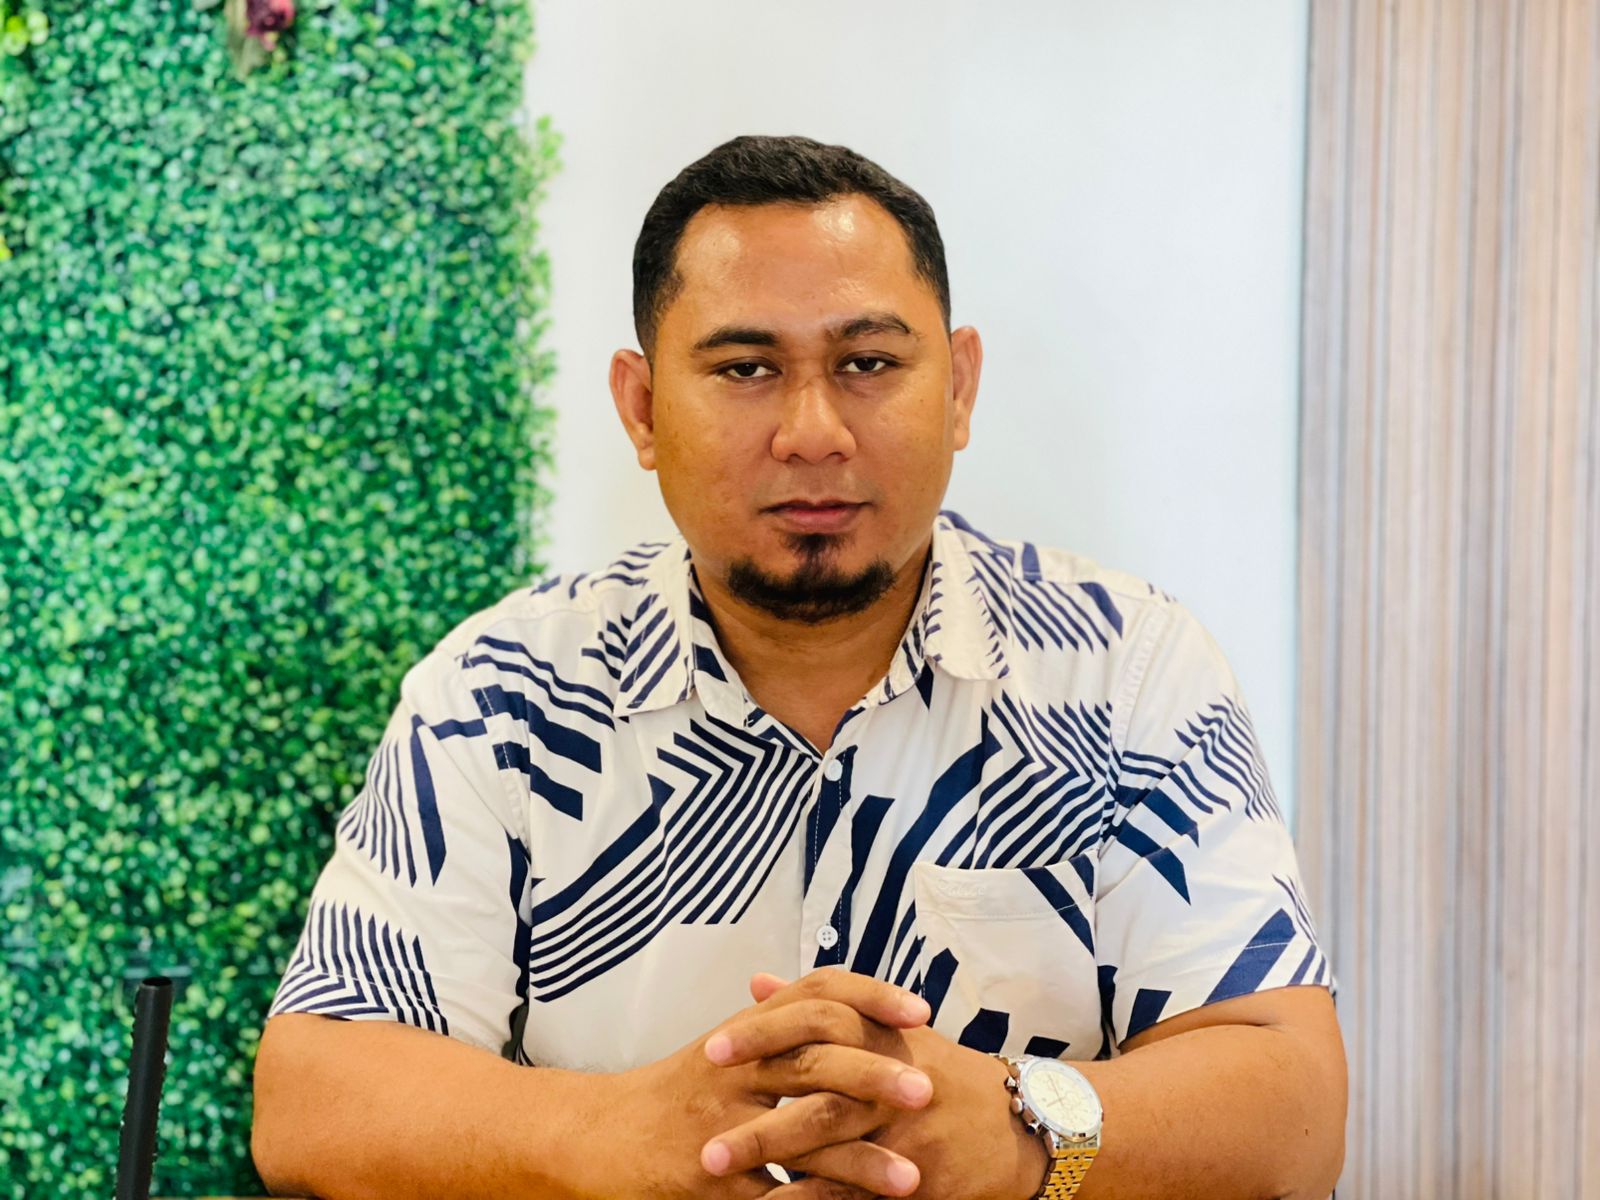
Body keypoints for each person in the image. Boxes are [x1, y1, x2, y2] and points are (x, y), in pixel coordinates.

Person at [251, 134, 1346, 1200]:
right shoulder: (503, 694)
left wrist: (1017, 1129)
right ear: (641, 407)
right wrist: (614, 1134)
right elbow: (316, 1098)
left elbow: (1292, 1109)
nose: (813, 432)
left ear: (959, 387)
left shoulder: (1127, 670)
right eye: (745, 369)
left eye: (868, 364)